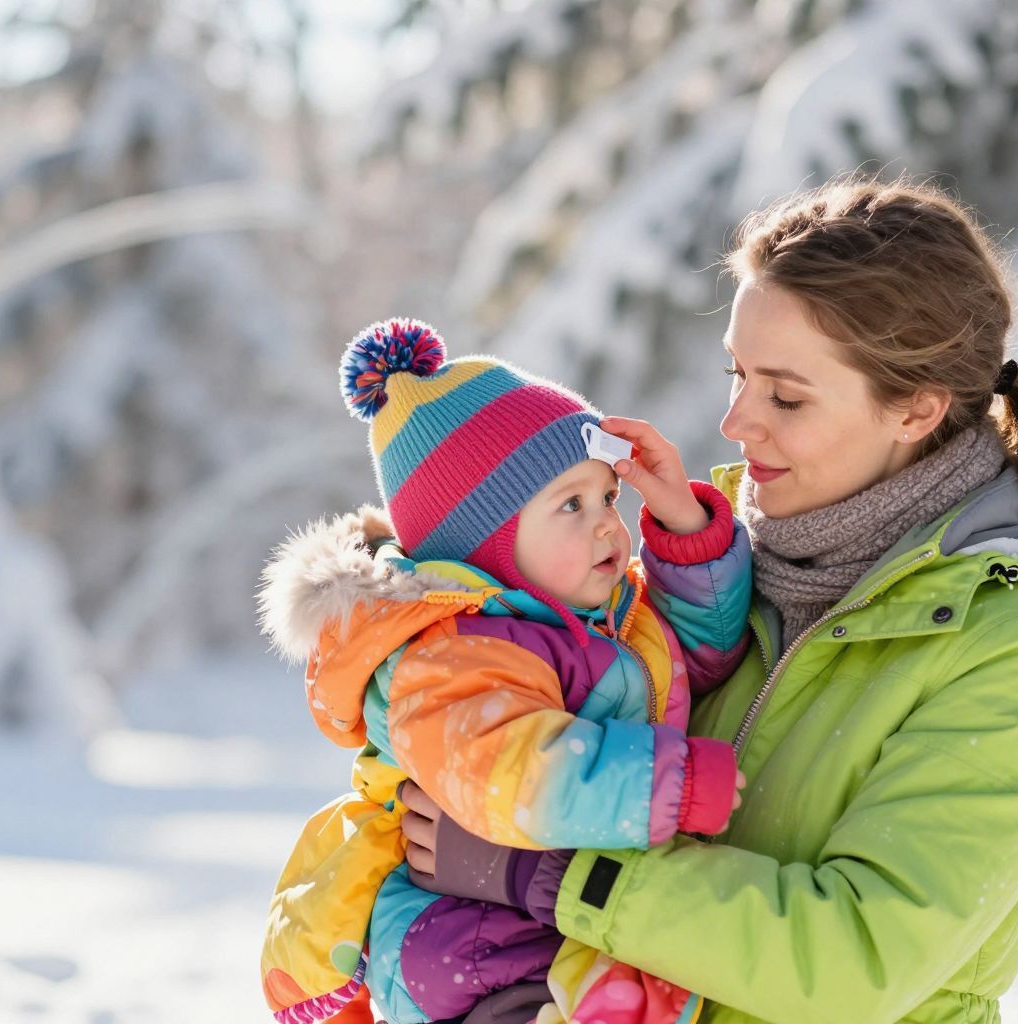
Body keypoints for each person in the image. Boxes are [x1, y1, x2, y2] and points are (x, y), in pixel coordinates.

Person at [399, 177, 1018, 1024]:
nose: (737, 421)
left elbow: (855, 958)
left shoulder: (1012, 639)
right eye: (737, 375)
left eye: (785, 395)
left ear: (916, 409)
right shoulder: (728, 576)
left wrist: (548, 873)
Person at [255, 318, 753, 1024]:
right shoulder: (452, 651)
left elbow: (702, 652)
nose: (609, 524)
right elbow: (511, 772)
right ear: (486, 542)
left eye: (608, 496)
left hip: (555, 907)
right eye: (571, 505)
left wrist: (684, 530)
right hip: (464, 934)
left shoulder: (603, 614)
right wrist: (673, 784)